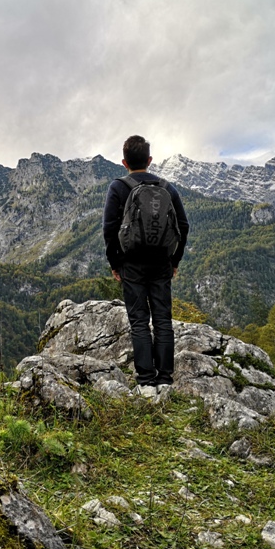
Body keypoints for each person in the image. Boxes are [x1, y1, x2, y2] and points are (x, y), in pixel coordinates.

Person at [103, 135, 189, 398]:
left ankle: (146, 383)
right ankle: (165, 380)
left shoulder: (118, 187)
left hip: (132, 263)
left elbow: (109, 229)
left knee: (139, 321)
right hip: (162, 262)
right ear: (150, 161)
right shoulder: (167, 187)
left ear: (124, 162)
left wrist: (115, 263)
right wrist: (174, 261)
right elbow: (183, 226)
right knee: (163, 320)